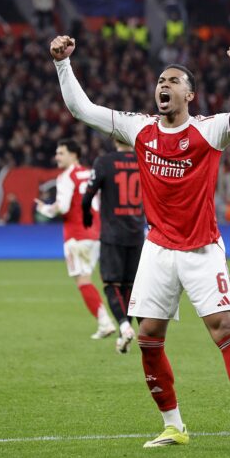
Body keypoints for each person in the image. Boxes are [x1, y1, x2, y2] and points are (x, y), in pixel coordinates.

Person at [50, 34, 230, 450]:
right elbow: (80, 109)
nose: (164, 84)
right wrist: (62, 64)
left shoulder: (209, 130)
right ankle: (173, 426)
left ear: (189, 94)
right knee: (148, 338)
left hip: (201, 249)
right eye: (161, 79)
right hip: (157, 250)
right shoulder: (138, 128)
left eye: (173, 81)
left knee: (224, 329)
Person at [35, 138, 117, 340]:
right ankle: (112, 321)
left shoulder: (66, 177)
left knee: (83, 281)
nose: (57, 157)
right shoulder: (90, 173)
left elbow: (62, 207)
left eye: (61, 153)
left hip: (77, 236)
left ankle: (106, 323)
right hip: (97, 234)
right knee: (95, 278)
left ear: (74, 155)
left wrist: (44, 208)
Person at [82, 140, 146, 354]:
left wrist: (86, 215)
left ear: (114, 140)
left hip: (112, 233)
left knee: (112, 284)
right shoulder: (144, 159)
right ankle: (124, 334)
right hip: (137, 233)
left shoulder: (105, 162)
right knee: (130, 286)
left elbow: (87, 195)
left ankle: (125, 326)